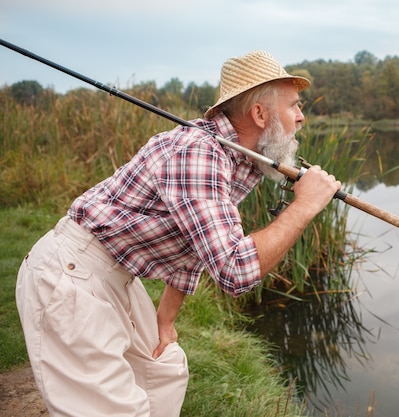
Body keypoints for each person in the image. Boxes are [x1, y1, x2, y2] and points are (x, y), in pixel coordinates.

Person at [15, 50, 341, 417]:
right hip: (71, 276)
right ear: (260, 113)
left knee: (163, 370)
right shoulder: (198, 153)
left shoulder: (235, 158)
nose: (301, 117)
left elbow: (194, 244)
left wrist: (165, 320)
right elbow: (235, 271)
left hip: (114, 275)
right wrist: (304, 206)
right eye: (294, 106)